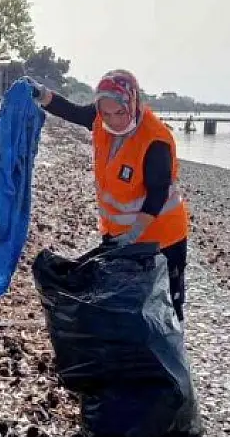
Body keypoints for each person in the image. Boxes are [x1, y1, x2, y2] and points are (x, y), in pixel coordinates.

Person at [25, 70, 191, 323]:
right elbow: (72, 111)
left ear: (133, 102)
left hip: (163, 238)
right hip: (118, 234)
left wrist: (135, 234)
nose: (113, 121)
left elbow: (158, 192)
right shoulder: (99, 121)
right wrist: (41, 94)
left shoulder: (155, 140)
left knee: (166, 303)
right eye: (107, 113)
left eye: (120, 113)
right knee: (121, 301)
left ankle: (170, 353)